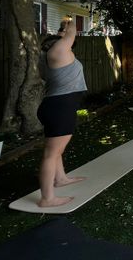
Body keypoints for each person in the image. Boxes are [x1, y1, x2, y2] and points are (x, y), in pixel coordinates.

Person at [37, 17, 87, 207]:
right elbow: (72, 33)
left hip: (56, 106)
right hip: (60, 107)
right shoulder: (58, 52)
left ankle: (60, 179)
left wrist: (62, 32)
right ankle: (47, 198)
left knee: (55, 150)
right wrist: (68, 21)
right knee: (51, 153)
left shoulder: (48, 58)